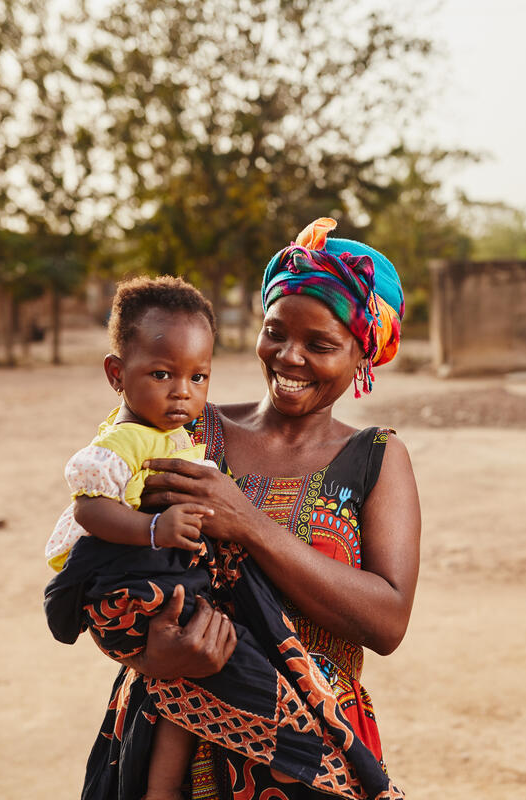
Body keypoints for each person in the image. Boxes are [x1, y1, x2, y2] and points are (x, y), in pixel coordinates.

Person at [84, 218, 422, 800]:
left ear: (363, 354)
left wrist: (249, 523)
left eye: (320, 345)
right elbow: (102, 565)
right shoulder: (185, 428)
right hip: (168, 737)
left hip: (309, 755)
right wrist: (149, 653)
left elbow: (387, 623)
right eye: (275, 332)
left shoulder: (376, 460)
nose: (289, 358)